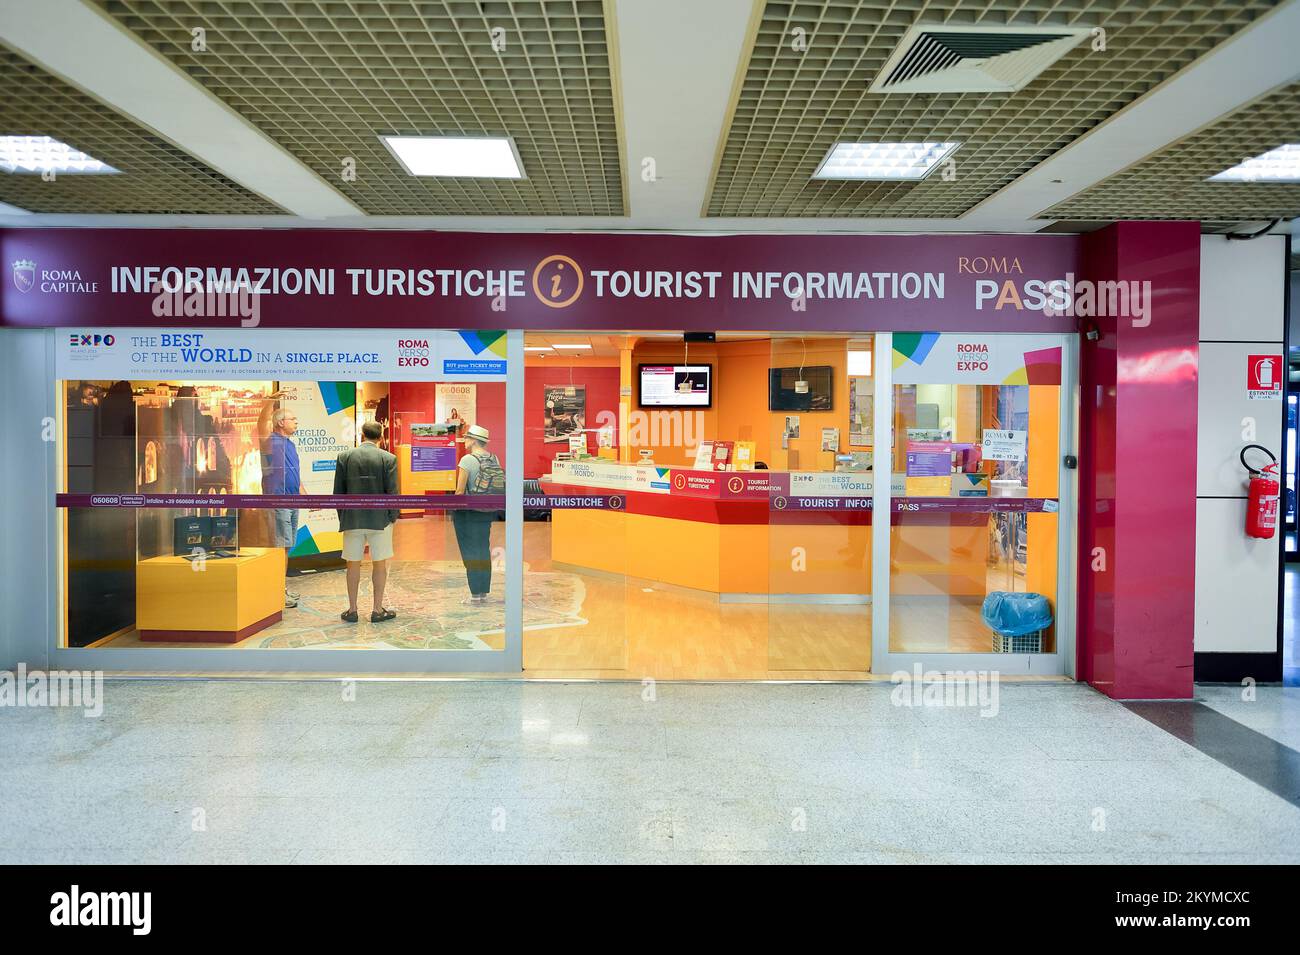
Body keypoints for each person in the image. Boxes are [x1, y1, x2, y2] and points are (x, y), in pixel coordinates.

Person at [334, 420, 400, 623]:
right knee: (379, 564)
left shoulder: (344, 457)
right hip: (380, 520)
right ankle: (377, 609)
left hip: (352, 519)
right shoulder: (389, 458)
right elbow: (392, 492)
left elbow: (338, 493)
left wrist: (344, 516)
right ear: (381, 437)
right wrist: (392, 517)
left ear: (362, 435)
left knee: (352, 565)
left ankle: (352, 609)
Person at [453, 423, 501, 605]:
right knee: (482, 549)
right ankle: (483, 592)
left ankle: (474, 594)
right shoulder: (494, 458)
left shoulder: (467, 460)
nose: (464, 440)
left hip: (468, 513)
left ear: (473, 440)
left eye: (467, 437)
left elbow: (459, 491)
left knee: (470, 551)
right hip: (487, 511)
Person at [261, 408, 301, 608]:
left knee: (286, 547)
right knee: (280, 548)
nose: (296, 421)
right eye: (292, 418)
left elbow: (295, 474)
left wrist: (306, 497)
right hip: (279, 501)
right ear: (279, 423)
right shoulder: (271, 442)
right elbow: (261, 424)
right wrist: (268, 403)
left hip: (293, 501)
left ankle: (281, 588)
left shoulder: (290, 445)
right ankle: (277, 591)